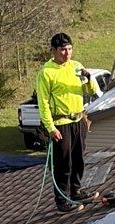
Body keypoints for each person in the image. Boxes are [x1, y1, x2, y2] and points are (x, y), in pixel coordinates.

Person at [36, 32, 96, 212]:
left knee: (79, 159)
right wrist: (50, 127)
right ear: (53, 50)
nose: (67, 53)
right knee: (64, 163)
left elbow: (91, 90)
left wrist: (88, 77)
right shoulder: (46, 73)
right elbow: (43, 103)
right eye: (62, 50)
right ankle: (62, 199)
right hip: (60, 123)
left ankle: (76, 192)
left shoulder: (76, 66)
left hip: (79, 118)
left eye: (69, 49)